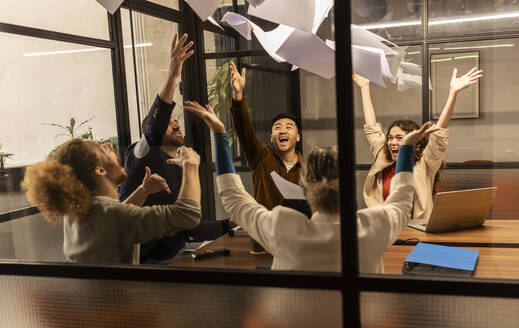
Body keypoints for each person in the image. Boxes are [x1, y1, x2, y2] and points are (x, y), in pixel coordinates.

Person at [183, 100, 438, 272]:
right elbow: (402, 197)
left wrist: (218, 132)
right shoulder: (374, 226)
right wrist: (406, 148)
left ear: (305, 183)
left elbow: (233, 197)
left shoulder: (281, 227)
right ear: (349, 186)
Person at [119, 33, 232, 263]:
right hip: (142, 260)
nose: (176, 123)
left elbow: (189, 226)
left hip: (175, 255)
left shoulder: (181, 167)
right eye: (170, 122)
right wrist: (172, 76)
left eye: (176, 121)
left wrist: (228, 224)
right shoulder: (140, 153)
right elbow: (154, 128)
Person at [22, 138, 202, 264]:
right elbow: (187, 214)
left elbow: (114, 220)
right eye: (102, 148)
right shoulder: (109, 214)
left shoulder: (82, 211)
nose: (109, 144)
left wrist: (143, 190)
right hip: (120, 311)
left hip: (95, 309)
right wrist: (191, 166)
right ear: (100, 170)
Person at [353, 67, 482, 220]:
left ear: (415, 142)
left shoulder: (426, 162)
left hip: (418, 231)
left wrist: (453, 94)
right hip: (385, 229)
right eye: (390, 138)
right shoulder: (382, 156)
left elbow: (439, 132)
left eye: (400, 138)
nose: (393, 142)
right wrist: (364, 87)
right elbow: (372, 128)